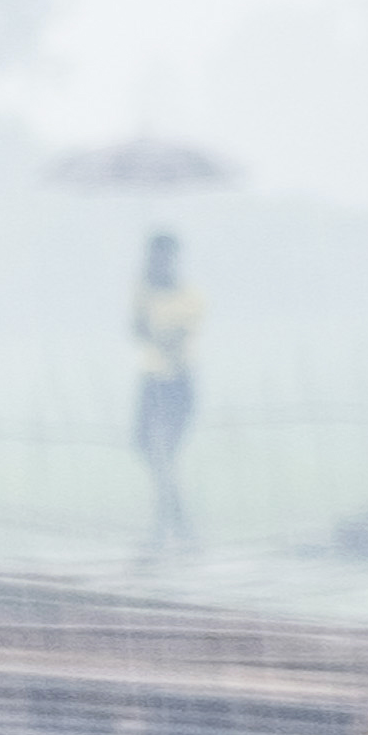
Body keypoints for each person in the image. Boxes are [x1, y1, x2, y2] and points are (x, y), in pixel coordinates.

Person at [133, 228, 205, 558]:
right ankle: (181, 528)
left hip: (177, 383)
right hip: (152, 381)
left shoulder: (188, 297)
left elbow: (175, 340)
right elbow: (135, 331)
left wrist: (154, 330)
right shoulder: (144, 291)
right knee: (149, 450)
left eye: (163, 256)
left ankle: (167, 531)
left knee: (164, 457)